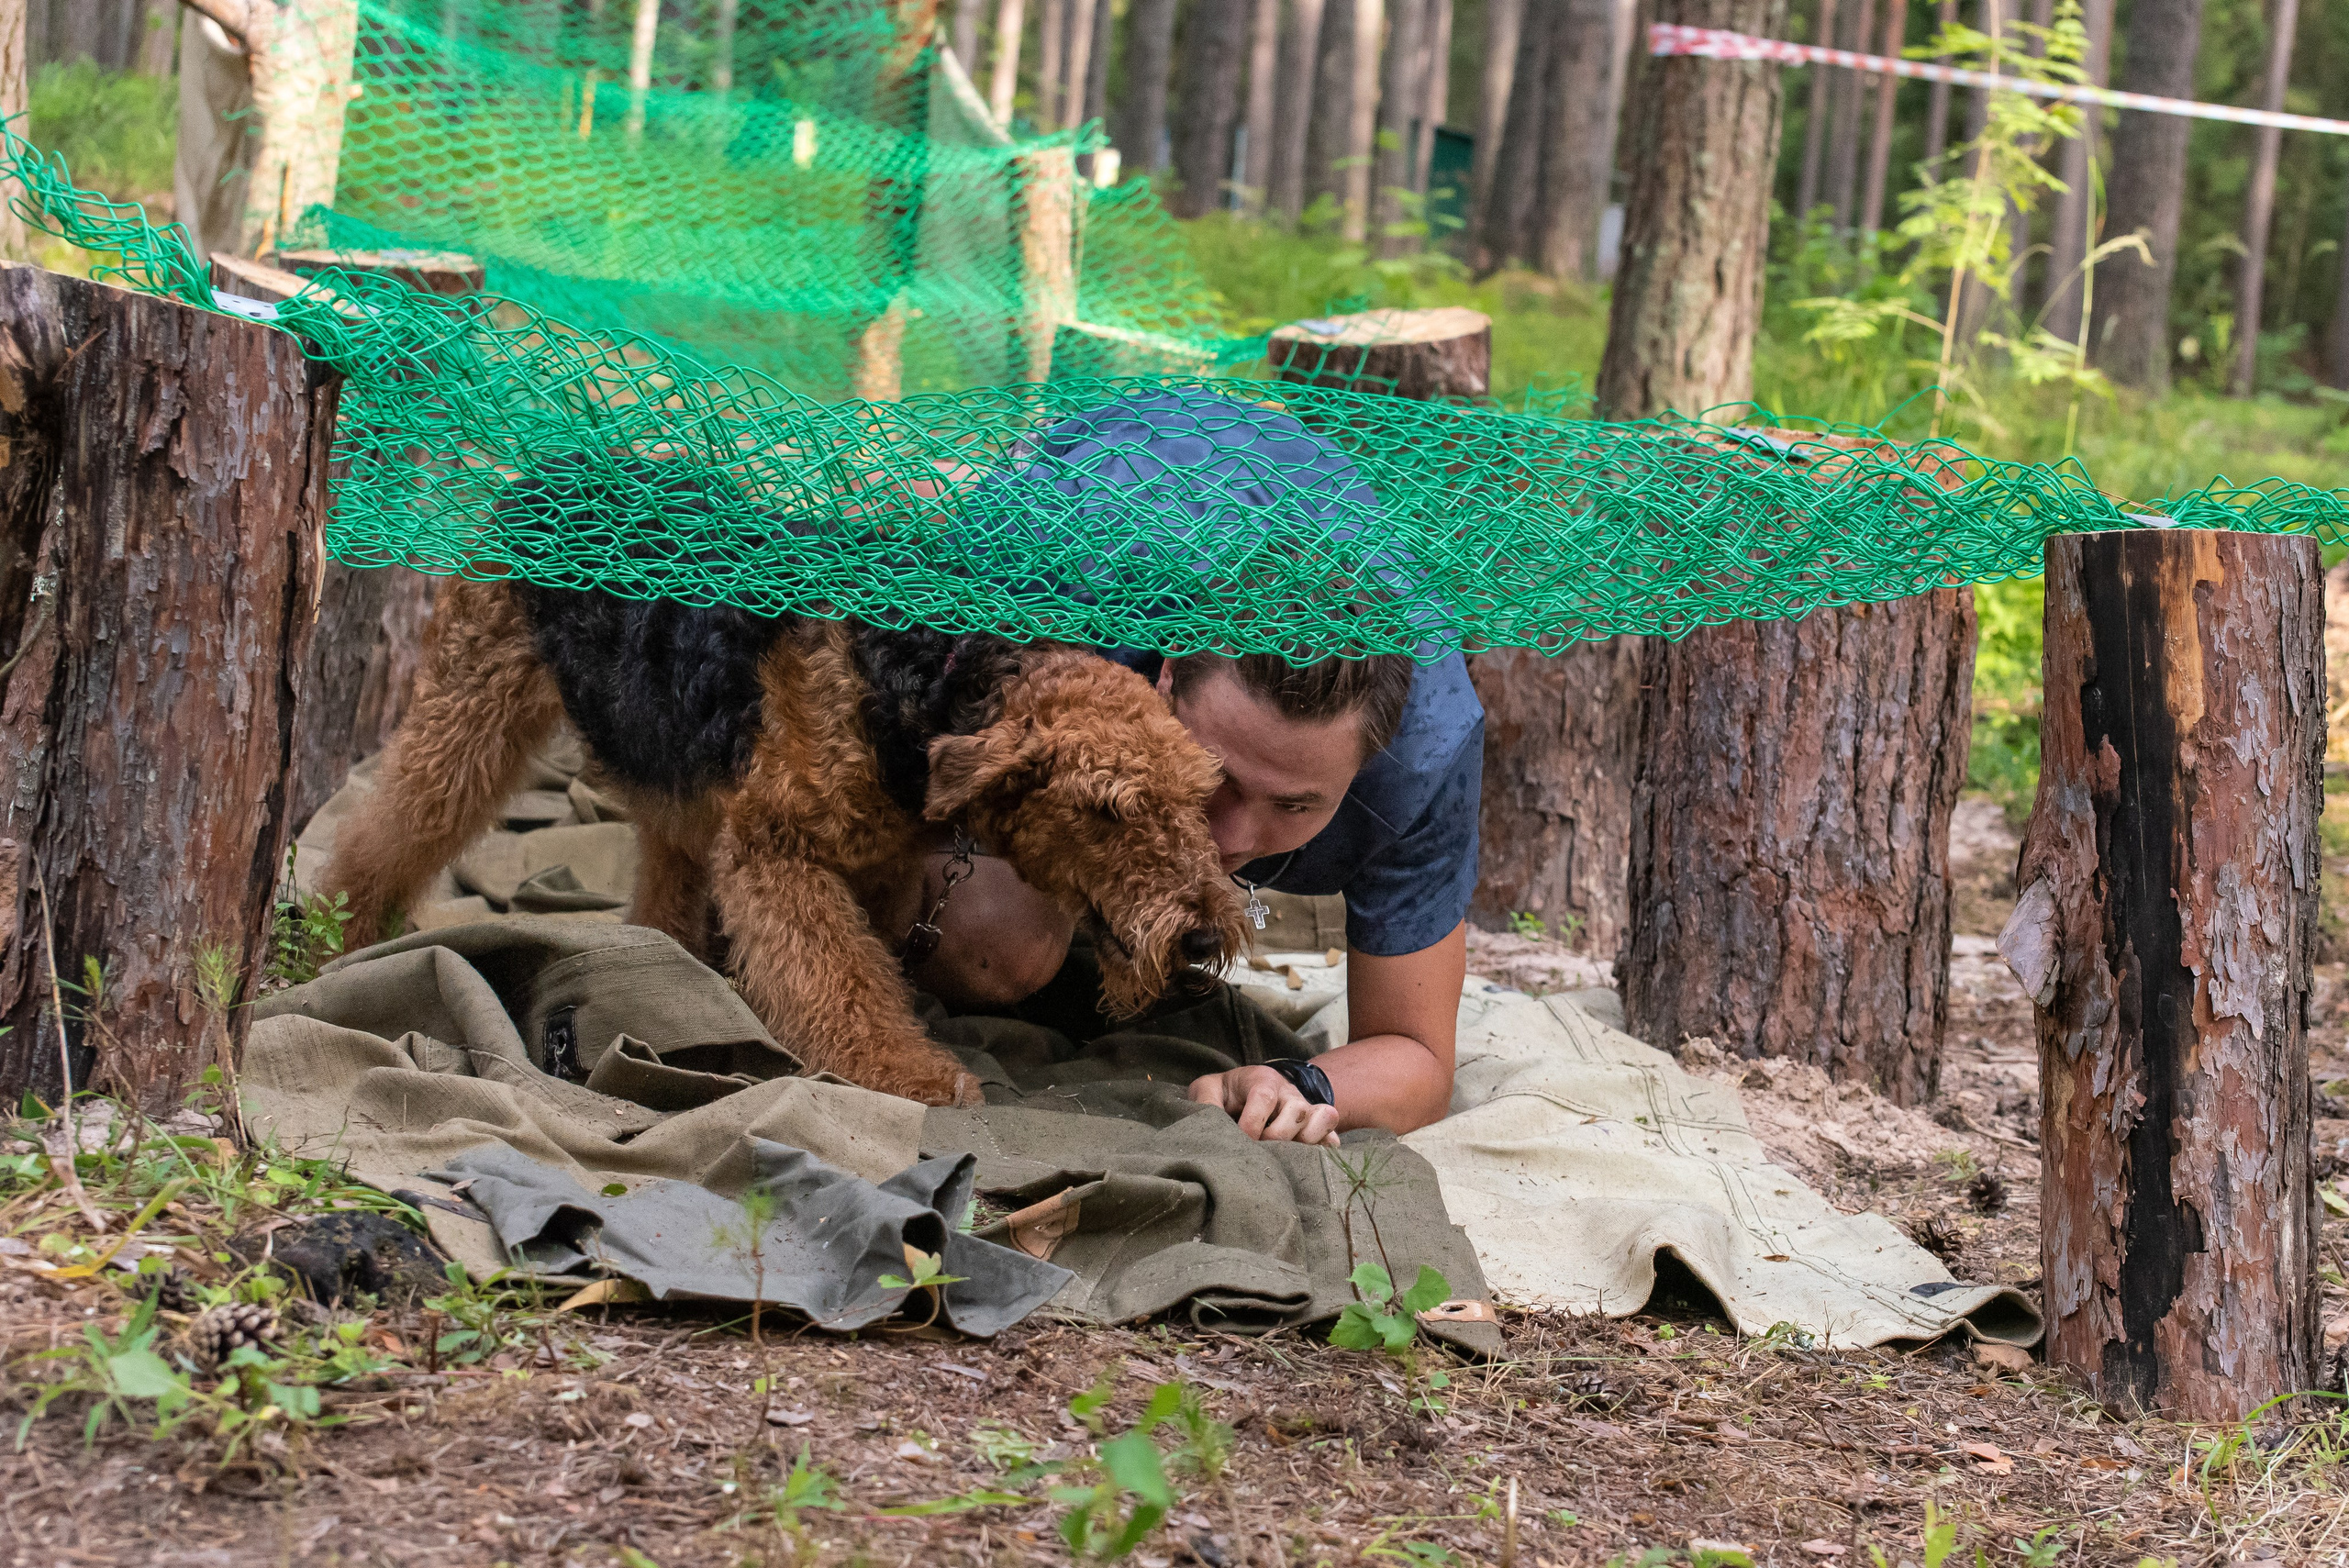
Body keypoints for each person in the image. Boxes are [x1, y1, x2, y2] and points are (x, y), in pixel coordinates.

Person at [878, 389, 1485, 1148]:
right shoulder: (1064, 598)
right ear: (1162, 681)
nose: (1229, 836)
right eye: (1214, 775)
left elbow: (1421, 1056)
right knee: (998, 943)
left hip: (1252, 496)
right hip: (1113, 484)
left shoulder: (1428, 758)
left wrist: (1303, 1082)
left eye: (1294, 806)